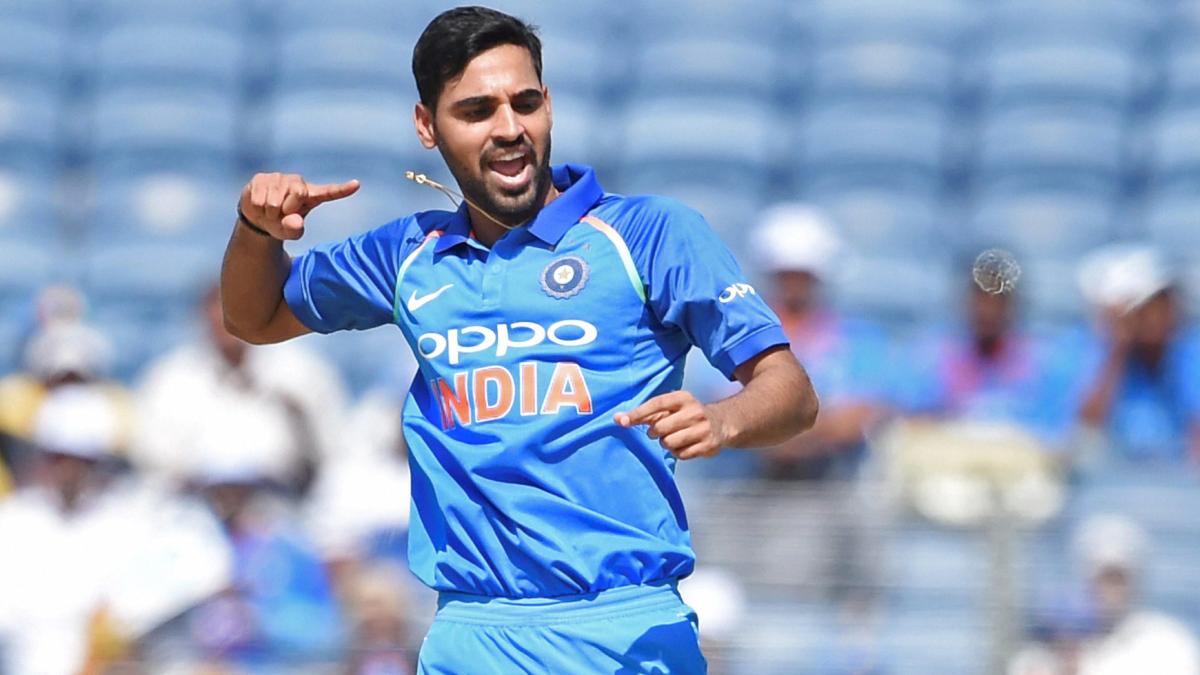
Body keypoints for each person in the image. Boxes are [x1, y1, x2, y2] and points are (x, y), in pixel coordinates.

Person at [219, 6, 817, 672]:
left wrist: (723, 419)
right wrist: (256, 229)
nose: (509, 128)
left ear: (548, 104)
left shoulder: (649, 234)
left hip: (624, 630)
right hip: (471, 634)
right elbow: (253, 317)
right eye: (477, 111)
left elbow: (792, 392)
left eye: (524, 103)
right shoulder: (408, 255)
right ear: (426, 126)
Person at [133, 283, 347, 495]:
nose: (227, 325)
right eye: (218, 316)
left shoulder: (302, 374)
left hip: (281, 498)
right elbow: (152, 461)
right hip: (196, 502)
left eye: (236, 312)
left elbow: (330, 450)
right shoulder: (170, 380)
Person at [1074, 244, 1200, 464]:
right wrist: (1118, 347)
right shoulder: (1092, 354)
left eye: (1162, 303)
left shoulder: (1190, 353)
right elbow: (1085, 432)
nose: (1155, 316)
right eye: (1144, 308)